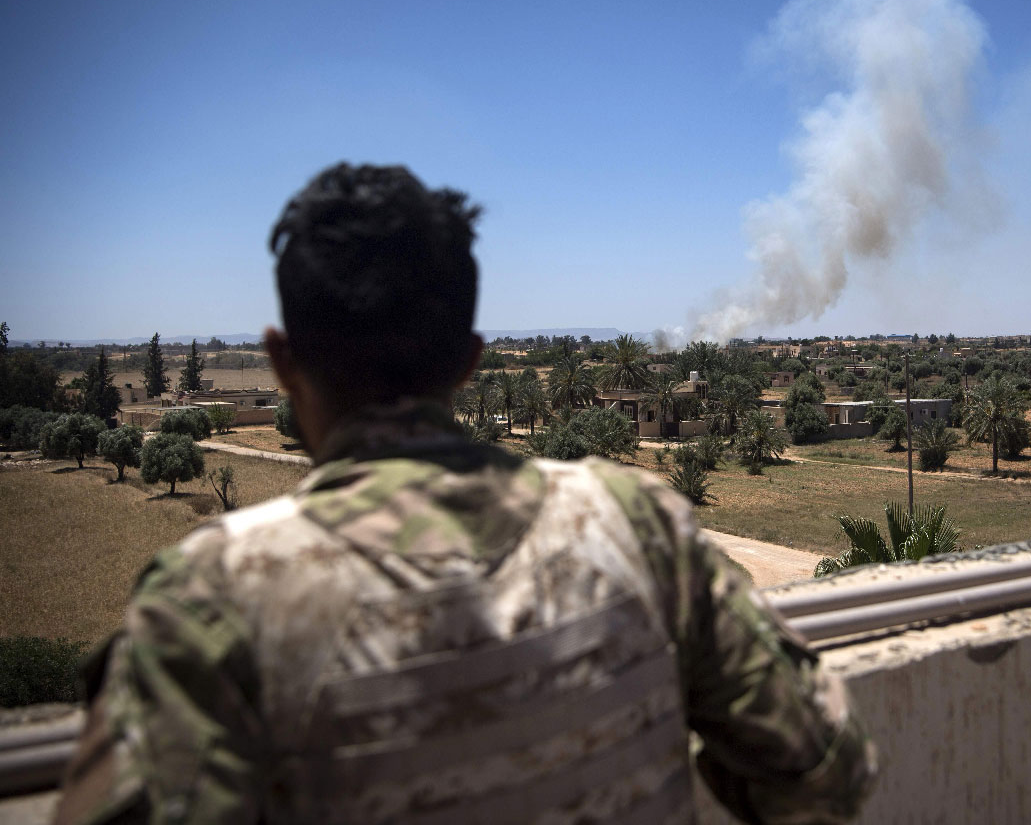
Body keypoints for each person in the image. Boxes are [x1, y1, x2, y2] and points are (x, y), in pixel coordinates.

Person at [55, 163, 876, 824]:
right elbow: (826, 772)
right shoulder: (638, 524)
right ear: (468, 361)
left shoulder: (207, 607)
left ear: (280, 361)